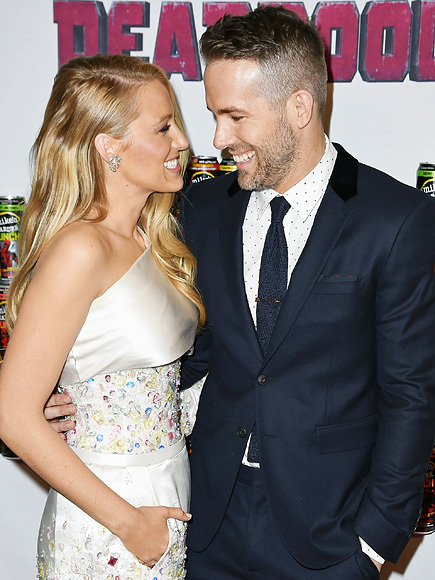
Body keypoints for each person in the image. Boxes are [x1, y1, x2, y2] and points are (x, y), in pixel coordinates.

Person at [44, 7, 435, 579]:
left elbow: (412, 394)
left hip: (329, 536)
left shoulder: (395, 219)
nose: (218, 139)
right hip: (204, 523)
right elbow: (176, 348)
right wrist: (66, 399)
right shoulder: (197, 210)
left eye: (235, 116)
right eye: (213, 115)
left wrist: (374, 543)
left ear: (299, 108)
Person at [0, 53, 205, 580]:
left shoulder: (149, 239)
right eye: (163, 127)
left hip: (163, 491)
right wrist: (130, 524)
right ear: (108, 146)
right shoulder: (81, 249)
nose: (183, 141)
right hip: (110, 517)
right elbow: (13, 415)